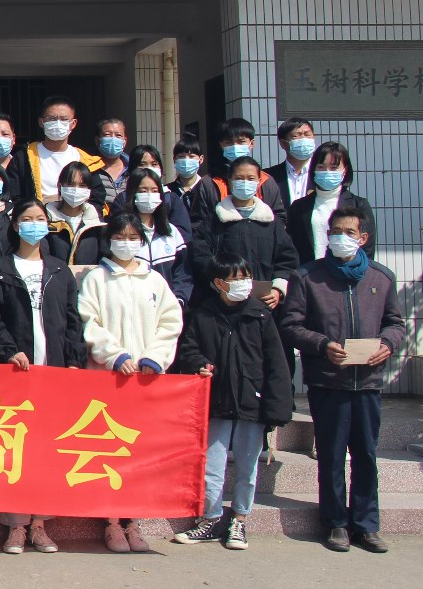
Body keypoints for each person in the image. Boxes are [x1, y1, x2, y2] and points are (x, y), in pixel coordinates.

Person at [280, 207, 406, 554]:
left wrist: (387, 344)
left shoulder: (381, 277)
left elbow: (395, 323)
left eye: (349, 232)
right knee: (332, 455)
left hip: (367, 382)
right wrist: (322, 345)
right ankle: (336, 522)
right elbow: (291, 325)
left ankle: (367, 525)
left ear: (363, 238)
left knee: (365, 455)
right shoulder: (308, 277)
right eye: (336, 231)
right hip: (328, 382)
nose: (341, 237)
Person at [0, 199, 87, 555]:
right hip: (16, 374)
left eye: (40, 218)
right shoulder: (2, 268)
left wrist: (73, 361)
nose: (34, 224)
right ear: (15, 225)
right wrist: (8, 350)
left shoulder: (59, 270)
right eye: (27, 219)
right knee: (15, 450)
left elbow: (72, 320)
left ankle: (40, 524)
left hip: (53, 374)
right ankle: (15, 526)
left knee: (46, 451)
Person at [77, 210, 184, 553]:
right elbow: (88, 322)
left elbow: (170, 323)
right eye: (119, 237)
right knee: (109, 451)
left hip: (145, 380)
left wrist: (155, 357)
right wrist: (115, 355)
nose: (126, 243)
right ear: (109, 240)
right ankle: (111, 521)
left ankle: (133, 521)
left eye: (133, 238)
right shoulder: (96, 278)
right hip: (108, 378)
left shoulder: (154, 281)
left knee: (139, 453)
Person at [171, 253, 294, 551]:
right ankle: (211, 518)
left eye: (246, 277)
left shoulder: (260, 316)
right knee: (212, 466)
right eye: (235, 278)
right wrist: (198, 364)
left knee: (247, 467)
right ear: (219, 283)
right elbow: (188, 349)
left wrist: (277, 409)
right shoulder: (203, 314)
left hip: (253, 403)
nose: (243, 283)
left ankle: (239, 519)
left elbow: (277, 365)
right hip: (216, 401)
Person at [190, 157, 298, 310]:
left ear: (259, 182)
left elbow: (288, 259)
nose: (245, 182)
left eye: (251, 178)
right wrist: (222, 283)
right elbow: (201, 257)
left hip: (263, 306)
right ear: (230, 181)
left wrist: (278, 288)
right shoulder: (214, 221)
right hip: (222, 304)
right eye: (239, 178)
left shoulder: (271, 223)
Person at [286, 141, 377, 264]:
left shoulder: (359, 205)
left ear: (345, 170)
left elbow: (368, 249)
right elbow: (292, 246)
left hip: (347, 271)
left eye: (334, 168)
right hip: (309, 272)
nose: (327, 172)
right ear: (313, 169)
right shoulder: (299, 207)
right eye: (321, 167)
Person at [20, 96, 106, 206]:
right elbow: (16, 196)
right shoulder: (24, 157)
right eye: (51, 119)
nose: (58, 123)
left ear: (73, 123)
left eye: (64, 119)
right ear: (41, 122)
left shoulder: (86, 161)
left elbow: (97, 198)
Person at [125, 168, 192, 307]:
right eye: (143, 191)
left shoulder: (171, 232)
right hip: (134, 307)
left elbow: (182, 272)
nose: (149, 195)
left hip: (168, 308)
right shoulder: (122, 233)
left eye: (154, 191)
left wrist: (178, 300)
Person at [42, 161, 107, 266]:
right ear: (60, 186)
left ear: (89, 190)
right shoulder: (45, 220)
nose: (76, 190)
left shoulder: (97, 224)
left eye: (82, 185)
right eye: (70, 184)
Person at [266, 117, 318, 206]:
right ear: (283, 143)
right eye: (297, 135)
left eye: (307, 134)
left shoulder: (322, 174)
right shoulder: (268, 176)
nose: (304, 139)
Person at [93, 118, 131, 206]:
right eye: (107, 135)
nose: (113, 139)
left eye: (118, 135)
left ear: (124, 141)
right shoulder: (89, 169)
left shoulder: (133, 169)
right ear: (97, 141)